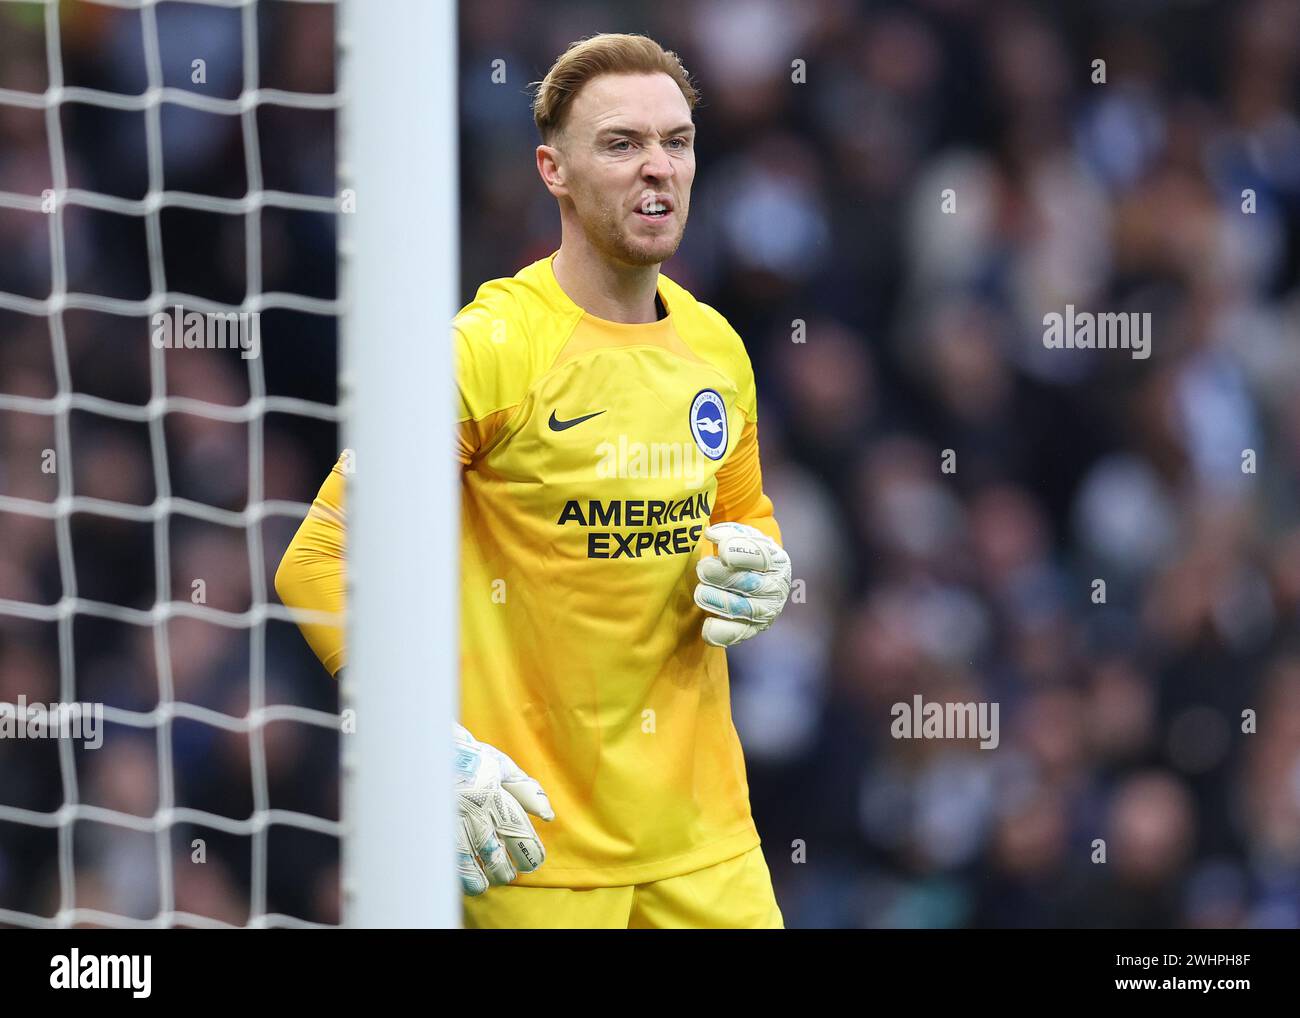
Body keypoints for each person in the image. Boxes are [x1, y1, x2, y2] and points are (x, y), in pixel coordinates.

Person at [275, 32, 792, 928]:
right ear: (553, 170)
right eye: (622, 144)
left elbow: (747, 526)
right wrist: (423, 746)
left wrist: (771, 577)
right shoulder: (485, 352)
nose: (658, 169)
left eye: (677, 141)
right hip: (528, 847)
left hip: (709, 840)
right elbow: (317, 562)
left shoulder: (717, 349)